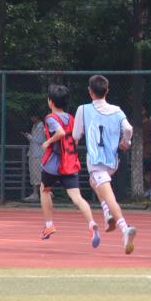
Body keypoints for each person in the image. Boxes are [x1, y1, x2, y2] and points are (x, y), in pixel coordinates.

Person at [73, 75, 137, 254]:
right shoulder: (117, 110)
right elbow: (128, 128)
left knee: (109, 196)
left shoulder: (83, 109)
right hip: (112, 161)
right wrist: (126, 142)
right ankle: (107, 212)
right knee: (93, 182)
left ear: (90, 91)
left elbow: (76, 135)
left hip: (97, 161)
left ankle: (125, 228)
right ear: (107, 91)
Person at [38, 85, 101, 248]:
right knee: (77, 197)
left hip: (53, 164)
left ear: (50, 102)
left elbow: (59, 133)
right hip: (70, 163)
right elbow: (76, 138)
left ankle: (49, 224)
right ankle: (92, 224)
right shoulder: (72, 119)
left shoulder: (50, 118)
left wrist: (48, 142)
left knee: (44, 190)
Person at [22, 112, 45, 201]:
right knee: (33, 174)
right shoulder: (34, 126)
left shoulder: (40, 126)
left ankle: (42, 193)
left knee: (38, 174)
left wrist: (28, 135)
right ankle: (35, 194)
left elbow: (39, 140)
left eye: (32, 117)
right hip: (33, 153)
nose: (31, 119)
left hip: (38, 154)